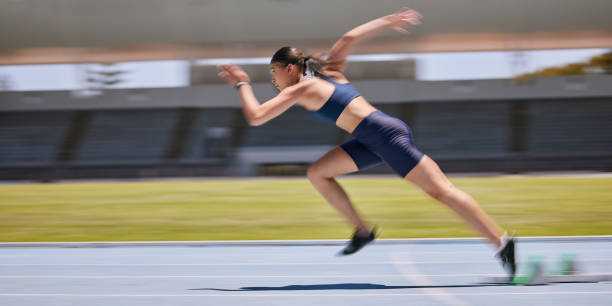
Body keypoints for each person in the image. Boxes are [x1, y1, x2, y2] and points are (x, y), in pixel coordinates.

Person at [217, 8, 516, 278]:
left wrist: (242, 83)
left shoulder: (304, 87)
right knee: (318, 173)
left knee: (442, 192)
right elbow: (348, 38)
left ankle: (502, 242)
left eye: (274, 72)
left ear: (291, 69)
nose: (273, 80)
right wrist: (389, 21)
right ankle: (362, 232)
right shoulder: (329, 71)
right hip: (371, 138)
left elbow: (256, 117)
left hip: (385, 137)